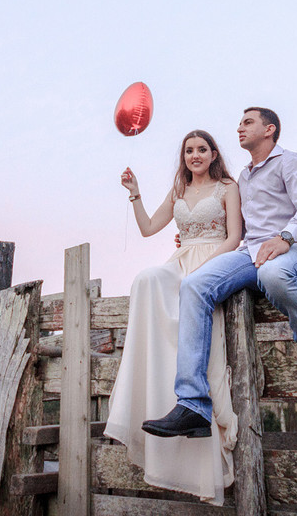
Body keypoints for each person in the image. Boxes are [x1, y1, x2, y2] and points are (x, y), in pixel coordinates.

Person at [142, 107, 297, 439]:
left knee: (273, 275)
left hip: (296, 251)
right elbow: (241, 225)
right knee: (193, 285)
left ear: (270, 129)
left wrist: (285, 237)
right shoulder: (245, 177)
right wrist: (192, 232)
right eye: (239, 123)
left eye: (247, 122)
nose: (239, 128)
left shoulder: (290, 162)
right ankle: (193, 404)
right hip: (249, 253)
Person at [103, 129, 244, 504]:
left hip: (215, 261)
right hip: (181, 261)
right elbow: (150, 228)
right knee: (147, 278)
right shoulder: (179, 191)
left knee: (195, 301)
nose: (194, 156)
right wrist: (134, 193)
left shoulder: (228, 186)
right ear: (183, 157)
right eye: (188, 151)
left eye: (201, 149)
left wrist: (206, 269)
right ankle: (154, 366)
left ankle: (196, 409)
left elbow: (234, 238)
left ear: (213, 154)